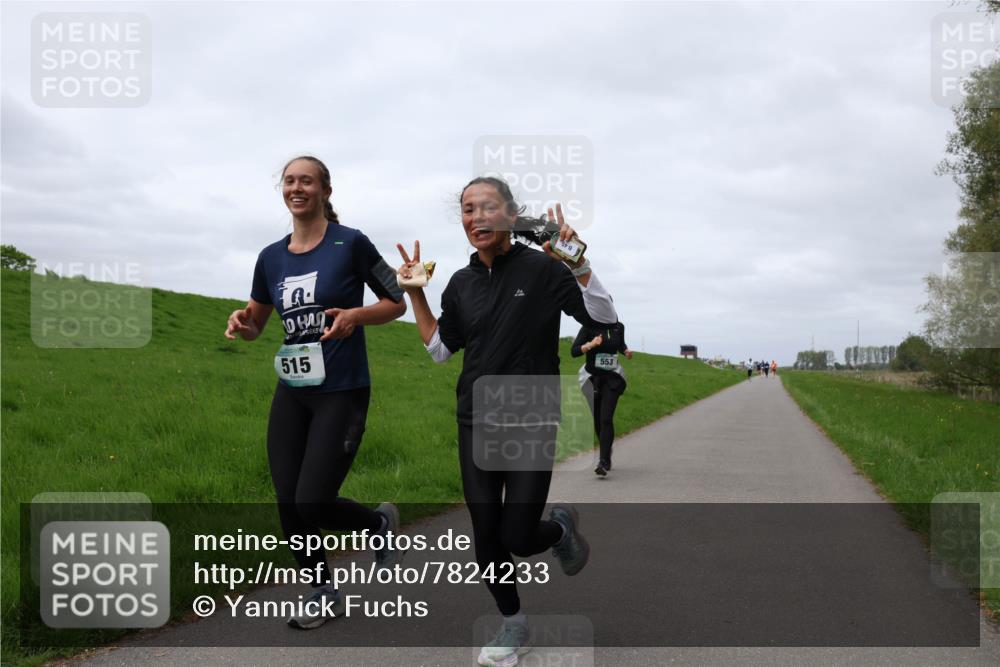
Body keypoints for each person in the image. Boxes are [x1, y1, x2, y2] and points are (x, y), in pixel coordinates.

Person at [396, 177, 617, 667]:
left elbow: (602, 319)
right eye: (468, 209)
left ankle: (558, 530)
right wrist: (416, 295)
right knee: (486, 532)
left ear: (512, 216)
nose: (477, 217)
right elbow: (439, 350)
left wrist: (580, 265)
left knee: (517, 536)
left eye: (488, 207)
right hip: (476, 417)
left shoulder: (543, 268)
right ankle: (513, 621)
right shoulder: (460, 282)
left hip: (532, 414)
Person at [224, 155, 407, 630]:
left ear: (325, 189)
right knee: (288, 501)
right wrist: (241, 324)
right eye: (289, 180)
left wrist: (354, 316)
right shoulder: (270, 257)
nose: (296, 187)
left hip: (342, 389)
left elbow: (396, 301)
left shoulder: (352, 243)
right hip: (293, 388)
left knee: (313, 500)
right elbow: (258, 322)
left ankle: (376, 525)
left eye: (307, 180)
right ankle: (322, 590)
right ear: (282, 189)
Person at [572, 321, 632, 476]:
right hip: (592, 378)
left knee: (606, 418)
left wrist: (625, 351)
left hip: (612, 378)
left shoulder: (618, 327)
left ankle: (603, 461)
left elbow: (620, 344)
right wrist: (591, 344)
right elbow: (574, 351)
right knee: (598, 420)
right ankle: (607, 449)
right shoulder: (588, 327)